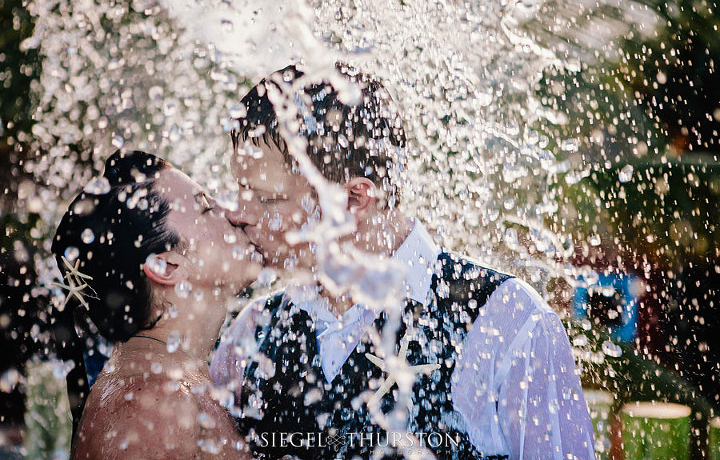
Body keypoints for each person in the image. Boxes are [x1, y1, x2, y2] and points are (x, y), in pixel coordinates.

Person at [211, 64, 595, 459]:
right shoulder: (251, 334)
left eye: (267, 198)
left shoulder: (507, 321)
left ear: (354, 200)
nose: (237, 213)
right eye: (239, 190)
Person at [50, 150, 260, 460]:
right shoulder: (152, 408)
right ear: (167, 267)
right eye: (205, 207)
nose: (235, 213)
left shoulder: (166, 385)